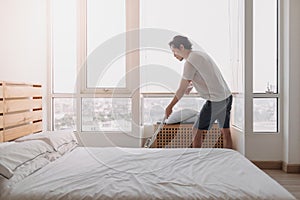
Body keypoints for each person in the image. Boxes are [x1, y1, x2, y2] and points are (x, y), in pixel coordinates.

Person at [165, 35, 233, 149]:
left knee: (196, 130)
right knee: (225, 130)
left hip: (216, 100)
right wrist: (191, 84)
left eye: (174, 51)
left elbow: (181, 90)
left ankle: (197, 162)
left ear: (181, 47)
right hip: (227, 96)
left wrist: (170, 107)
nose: (174, 55)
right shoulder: (200, 54)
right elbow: (207, 76)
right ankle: (230, 161)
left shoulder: (190, 62)